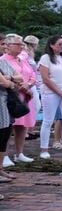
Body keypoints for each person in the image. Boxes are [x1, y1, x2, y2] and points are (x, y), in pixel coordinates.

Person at [1, 34, 37, 163]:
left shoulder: (22, 59)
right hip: (12, 96)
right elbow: (7, 79)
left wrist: (30, 84)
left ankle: (19, 153)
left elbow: (32, 75)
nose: (21, 47)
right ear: (8, 46)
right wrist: (23, 88)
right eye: (18, 44)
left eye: (22, 44)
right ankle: (4, 155)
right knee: (8, 126)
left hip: (25, 97)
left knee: (23, 126)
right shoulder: (4, 60)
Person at [38, 36, 62, 159]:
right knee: (48, 121)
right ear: (52, 45)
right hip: (50, 92)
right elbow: (45, 79)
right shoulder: (46, 58)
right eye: (60, 44)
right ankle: (44, 149)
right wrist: (60, 92)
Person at [1, 39, 23, 179]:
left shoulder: (2, 62)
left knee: (4, 137)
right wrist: (9, 81)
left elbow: (19, 78)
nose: (5, 47)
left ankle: (0, 168)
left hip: (5, 105)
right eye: (2, 44)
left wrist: (9, 79)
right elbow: (4, 83)